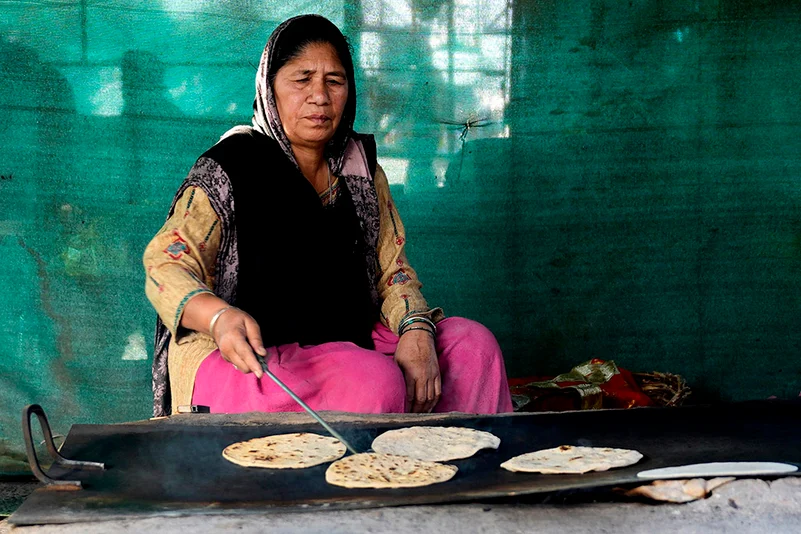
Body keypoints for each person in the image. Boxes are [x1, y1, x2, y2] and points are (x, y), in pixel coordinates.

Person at [143, 14, 513, 417]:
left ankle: (458, 471)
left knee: (473, 347)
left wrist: (415, 328)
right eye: (301, 79)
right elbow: (165, 266)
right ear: (271, 89)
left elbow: (391, 271)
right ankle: (378, 477)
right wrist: (217, 318)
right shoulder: (231, 166)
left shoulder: (359, 168)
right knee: (373, 380)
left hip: (349, 335)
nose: (319, 96)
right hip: (251, 353)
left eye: (334, 81)